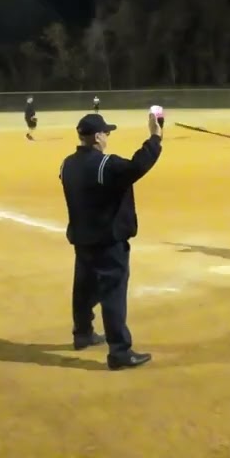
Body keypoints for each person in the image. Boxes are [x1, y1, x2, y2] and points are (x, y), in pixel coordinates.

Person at [59, 111, 163, 370]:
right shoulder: (105, 165)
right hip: (108, 240)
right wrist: (155, 137)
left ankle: (82, 333)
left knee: (83, 288)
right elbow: (137, 167)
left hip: (82, 238)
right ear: (97, 137)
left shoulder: (67, 164)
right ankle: (119, 352)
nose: (107, 137)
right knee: (113, 293)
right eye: (105, 133)